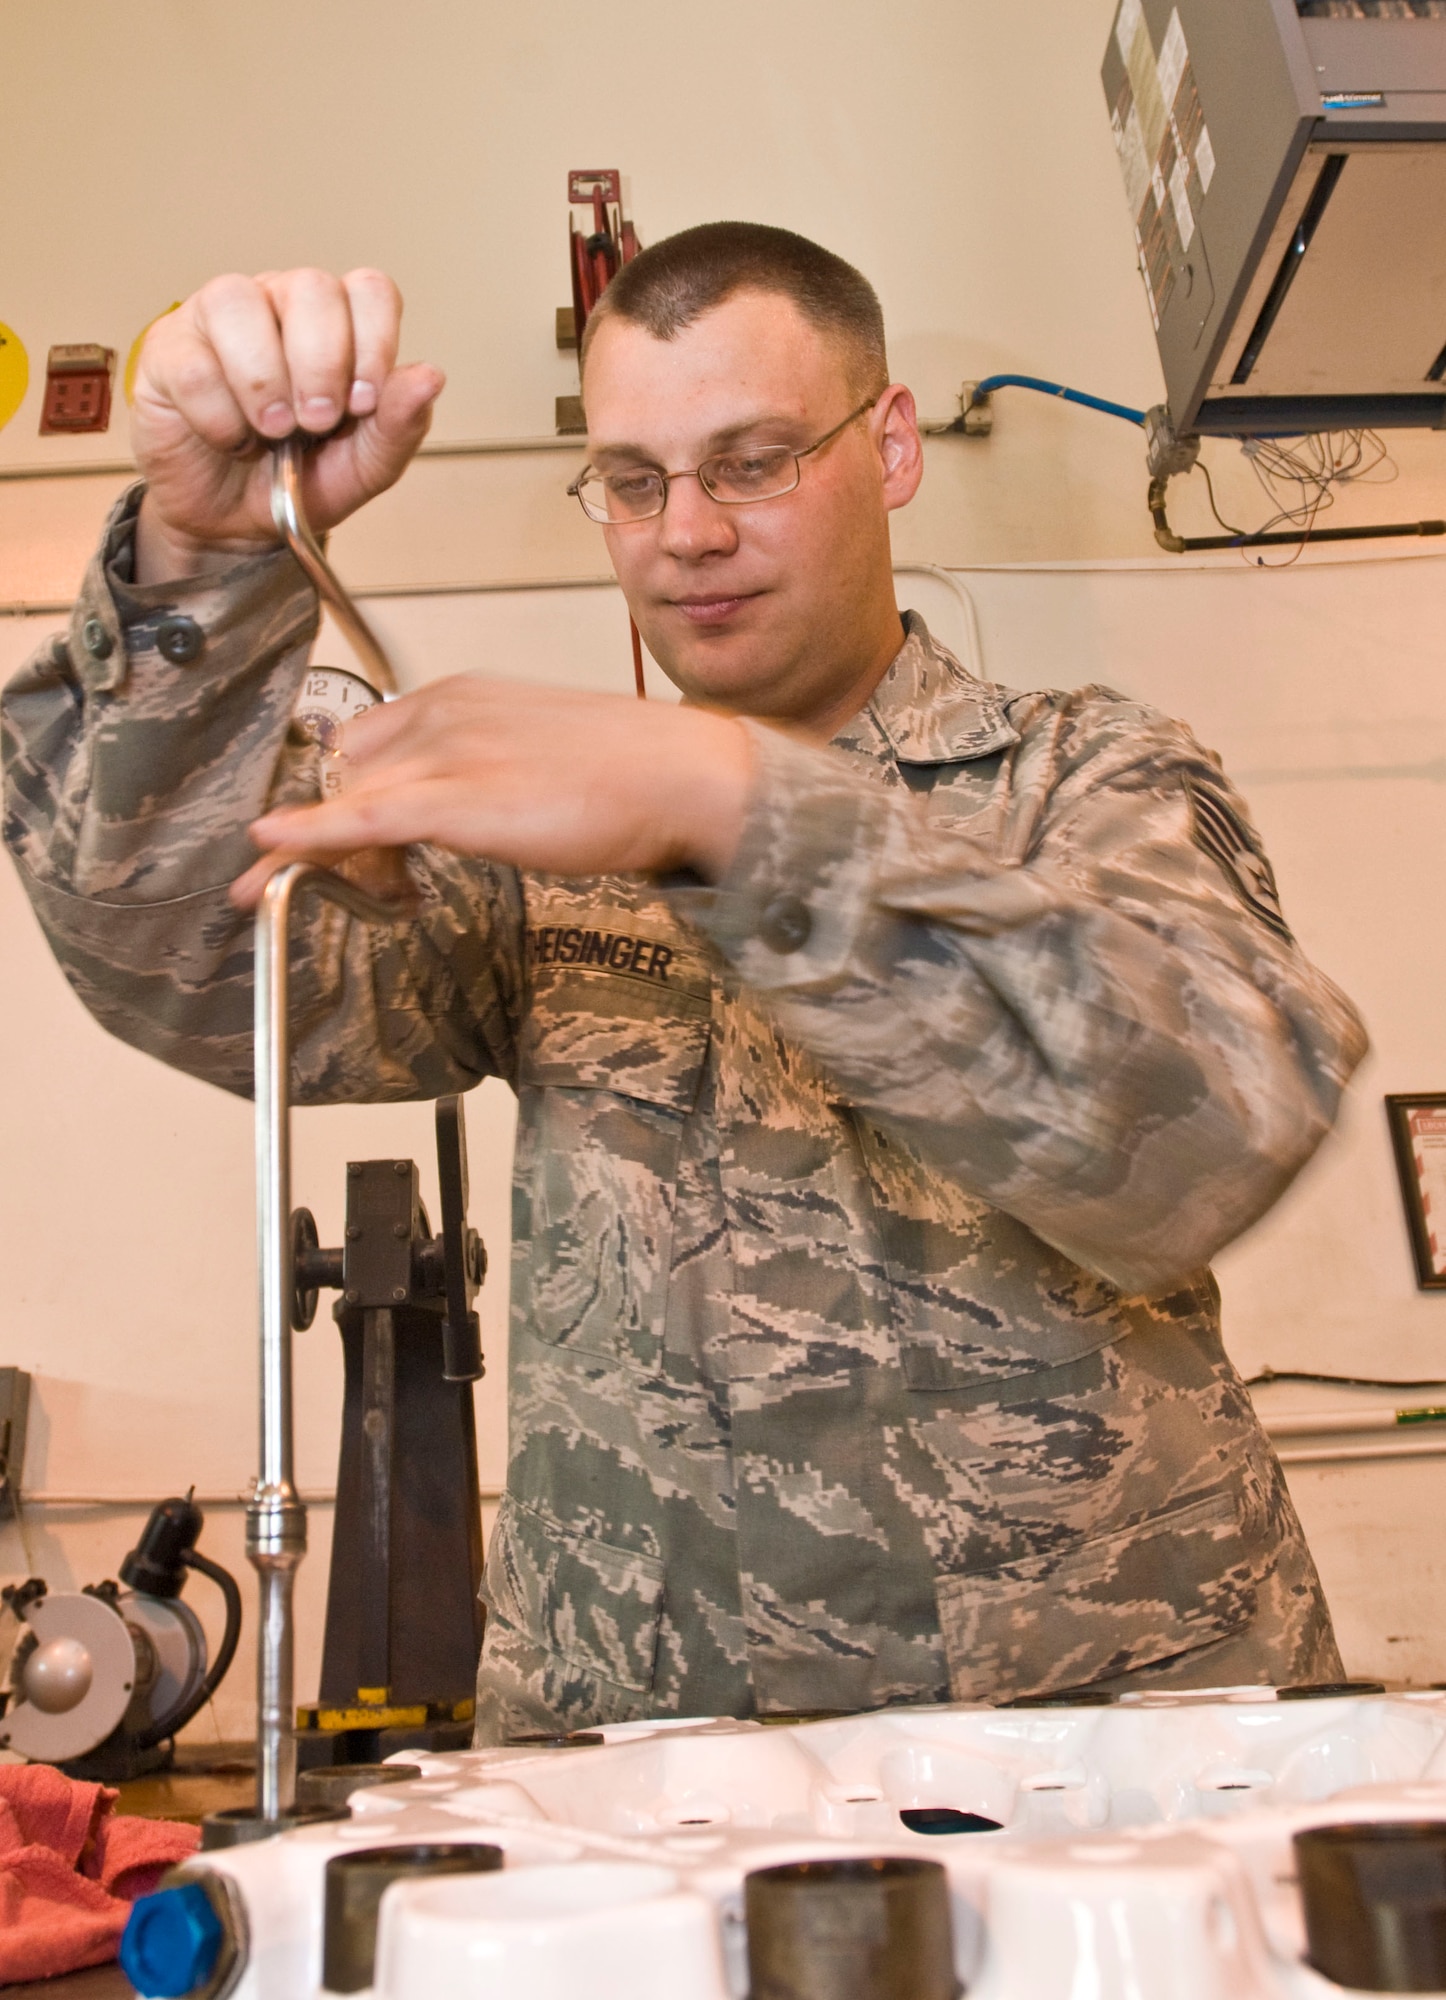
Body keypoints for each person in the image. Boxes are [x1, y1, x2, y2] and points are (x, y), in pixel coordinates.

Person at [3, 224, 1367, 1739]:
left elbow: (1197, 1131)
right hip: (652, 1750)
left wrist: (735, 808)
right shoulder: (546, 836)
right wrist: (205, 559)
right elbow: (185, 961)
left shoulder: (1081, 770)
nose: (685, 534)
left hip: (1111, 1744)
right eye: (634, 481)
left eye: (753, 462)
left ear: (892, 442)